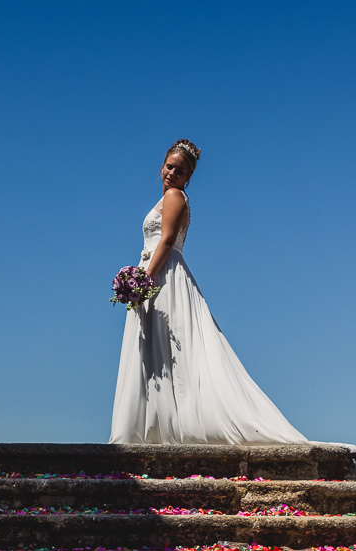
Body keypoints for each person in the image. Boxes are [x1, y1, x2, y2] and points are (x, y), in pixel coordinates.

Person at [109, 140, 309, 444]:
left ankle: (165, 429)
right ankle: (158, 427)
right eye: (169, 166)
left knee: (170, 349)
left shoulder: (175, 196)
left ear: (188, 177)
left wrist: (143, 281)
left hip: (162, 276)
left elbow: (166, 241)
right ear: (162, 165)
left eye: (180, 170)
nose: (172, 173)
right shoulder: (168, 196)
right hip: (157, 274)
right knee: (159, 350)